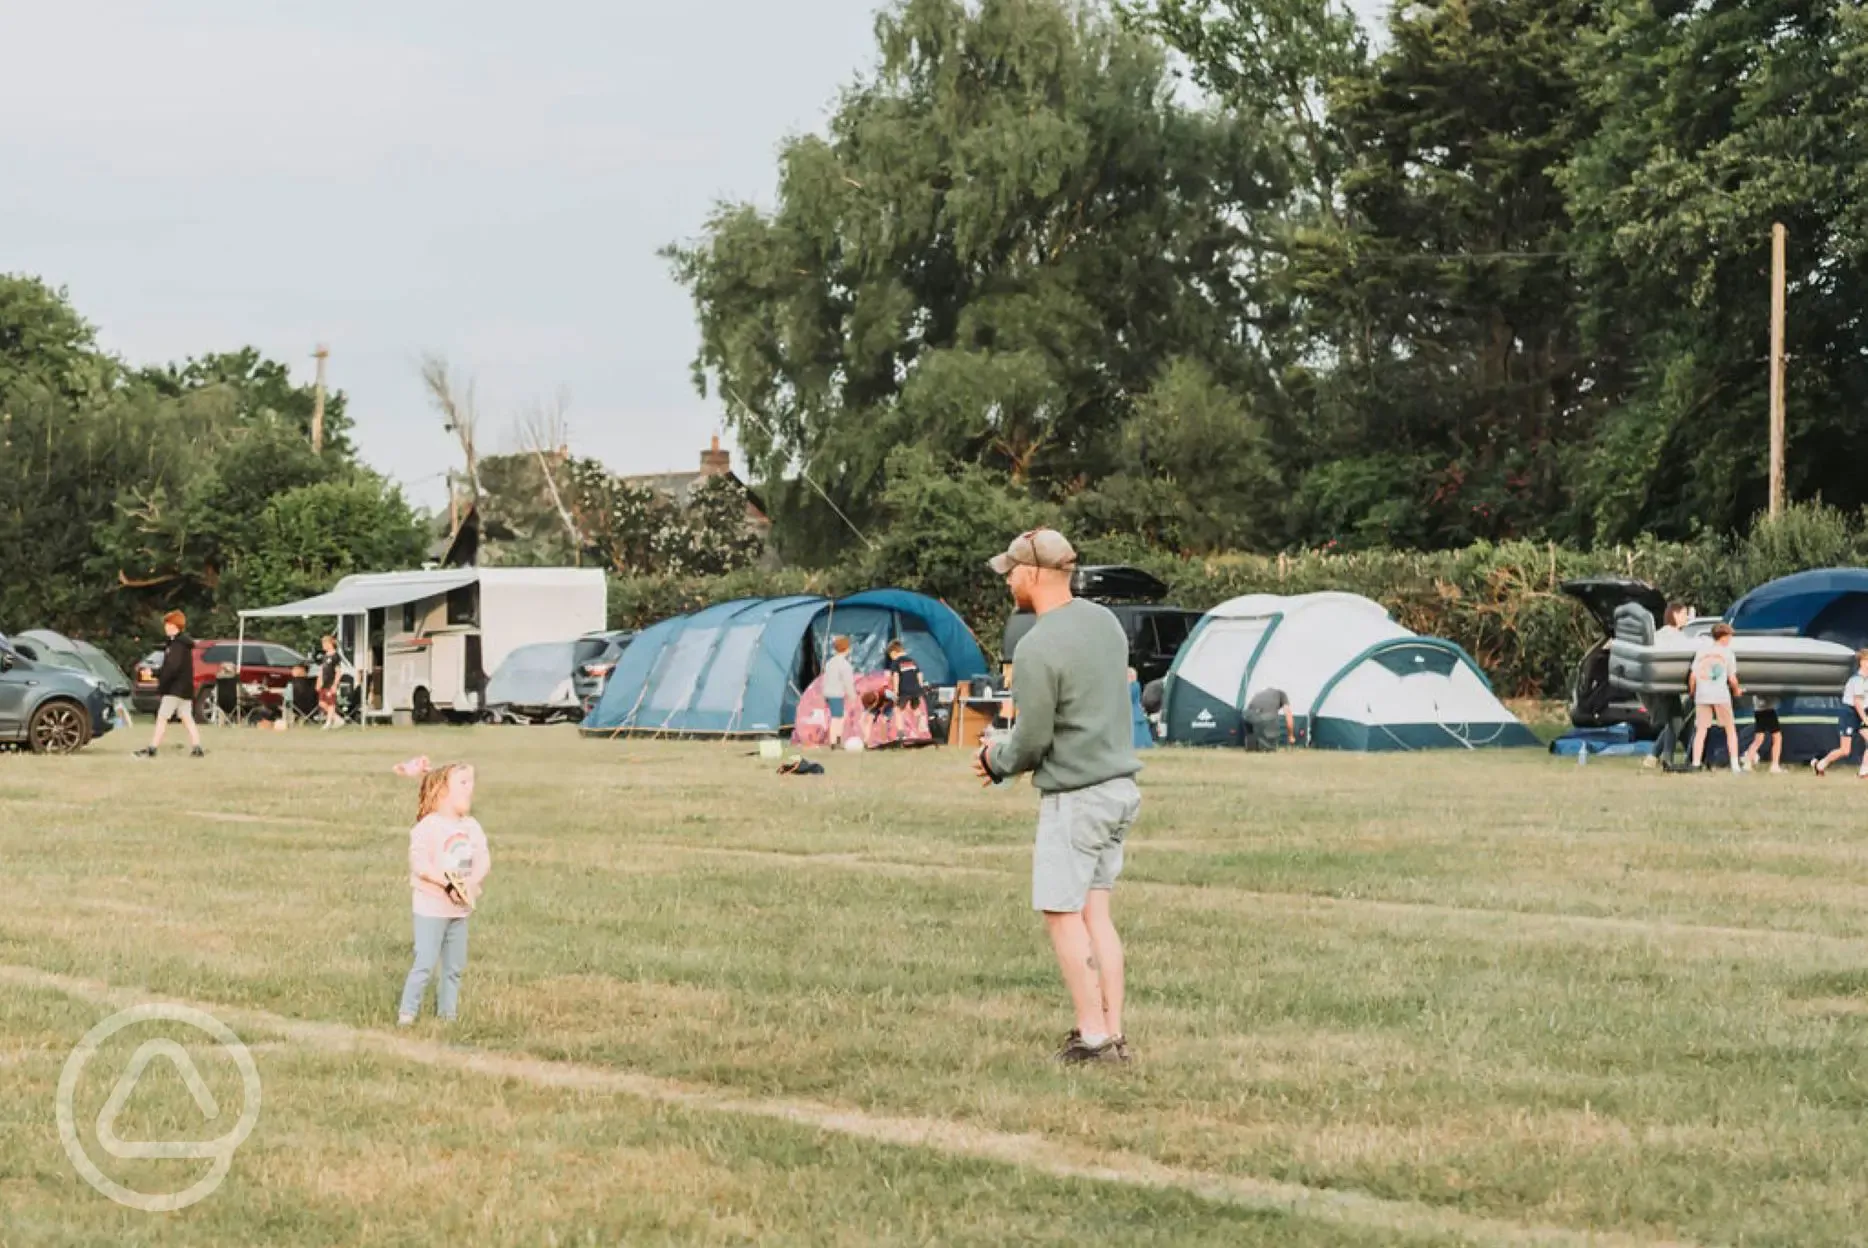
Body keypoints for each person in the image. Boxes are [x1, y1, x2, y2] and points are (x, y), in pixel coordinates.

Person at [972, 528, 1141, 1064]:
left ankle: (1091, 1037)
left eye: (1012, 572)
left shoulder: (1037, 645)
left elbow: (1033, 738)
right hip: (1119, 788)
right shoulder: (1106, 624)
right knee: (1097, 913)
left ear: (1033, 574)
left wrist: (994, 759)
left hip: (1078, 796)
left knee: (1060, 911)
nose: (1009, 581)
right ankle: (1114, 1032)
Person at [398, 761, 491, 1026]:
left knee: (454, 967)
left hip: (459, 910)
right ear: (442, 791)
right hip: (431, 908)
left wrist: (471, 884)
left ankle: (448, 1015)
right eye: (463, 782)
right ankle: (407, 1013)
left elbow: (483, 859)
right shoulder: (428, 827)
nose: (470, 788)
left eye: (471, 782)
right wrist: (447, 885)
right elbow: (420, 864)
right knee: (425, 962)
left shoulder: (471, 826)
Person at [133, 611, 203, 759]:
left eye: (168, 624)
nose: (165, 627)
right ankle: (197, 747)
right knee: (186, 717)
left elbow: (172, 667)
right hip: (185, 688)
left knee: (162, 717)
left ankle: (152, 748)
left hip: (175, 689)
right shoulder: (181, 644)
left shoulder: (177, 645)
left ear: (174, 626)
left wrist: (156, 675)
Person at [1644, 602, 1699, 770]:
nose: (1686, 618)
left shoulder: (1660, 634)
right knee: (1676, 720)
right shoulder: (1674, 636)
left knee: (1676, 720)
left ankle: (1656, 756)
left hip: (1661, 684)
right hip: (1668, 684)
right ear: (1675, 616)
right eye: (1683, 614)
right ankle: (1662, 757)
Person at [1687, 622, 1743, 773]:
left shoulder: (1701, 652)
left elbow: (1692, 676)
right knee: (1730, 729)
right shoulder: (1728, 653)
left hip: (1702, 694)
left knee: (1701, 730)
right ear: (1724, 637)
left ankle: (1696, 763)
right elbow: (1732, 678)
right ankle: (1735, 765)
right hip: (1720, 695)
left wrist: (1692, 692)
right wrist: (1737, 691)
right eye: (1730, 636)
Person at [1812, 649, 1868, 777]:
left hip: (1860, 714)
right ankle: (1820, 764)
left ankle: (1864, 772)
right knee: (1845, 750)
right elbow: (1857, 702)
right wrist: (1865, 718)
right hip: (1850, 714)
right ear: (1862, 662)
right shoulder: (1857, 680)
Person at [885, 640, 929, 741]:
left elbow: (896, 677)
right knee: (915, 709)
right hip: (916, 689)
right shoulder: (912, 661)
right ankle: (922, 724)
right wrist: (920, 688)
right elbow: (919, 674)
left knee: (898, 710)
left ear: (893, 653)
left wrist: (895, 691)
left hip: (904, 689)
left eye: (890, 656)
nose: (891, 658)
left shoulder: (896, 663)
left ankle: (901, 733)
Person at [821, 636, 860, 747]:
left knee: (838, 716)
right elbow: (848, 682)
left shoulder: (829, 663)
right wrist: (853, 695)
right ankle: (834, 741)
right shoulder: (845, 665)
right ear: (847, 649)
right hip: (837, 694)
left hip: (828, 693)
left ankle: (837, 739)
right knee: (837, 718)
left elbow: (825, 678)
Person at [1741, 693, 1784, 774]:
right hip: (1767, 710)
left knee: (1759, 739)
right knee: (1777, 737)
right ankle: (1775, 765)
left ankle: (1747, 764)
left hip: (1759, 710)